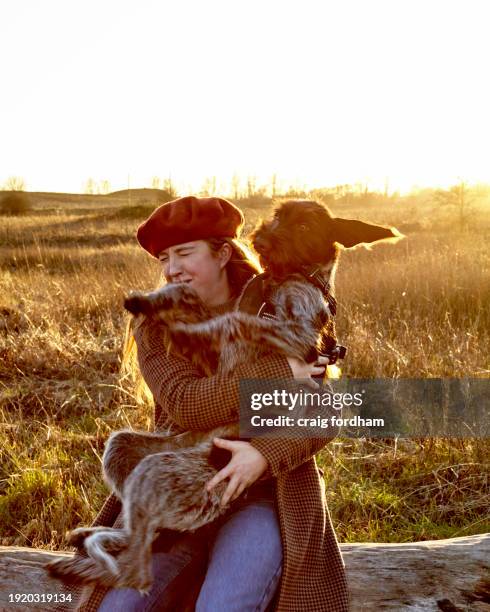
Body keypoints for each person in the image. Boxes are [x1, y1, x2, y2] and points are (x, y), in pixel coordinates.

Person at [75, 195, 349, 612]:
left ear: (222, 253)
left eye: (185, 253)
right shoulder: (156, 322)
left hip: (261, 496)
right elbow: (188, 405)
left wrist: (262, 454)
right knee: (116, 608)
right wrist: (280, 373)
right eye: (165, 258)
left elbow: (326, 409)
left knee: (223, 605)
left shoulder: (278, 302)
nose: (171, 269)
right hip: (180, 496)